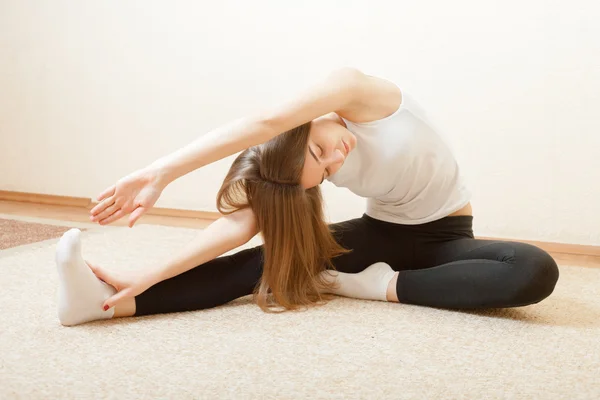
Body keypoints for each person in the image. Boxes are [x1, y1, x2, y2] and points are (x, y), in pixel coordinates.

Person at [55, 68, 559, 326]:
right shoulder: (291, 172)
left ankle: (360, 286)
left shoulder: (360, 94)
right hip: (380, 233)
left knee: (533, 269)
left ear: (304, 124)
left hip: (448, 236)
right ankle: (104, 306)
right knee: (262, 262)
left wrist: (160, 172)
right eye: (323, 171)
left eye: (319, 149)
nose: (336, 160)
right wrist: (148, 275)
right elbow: (236, 229)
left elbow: (267, 122)